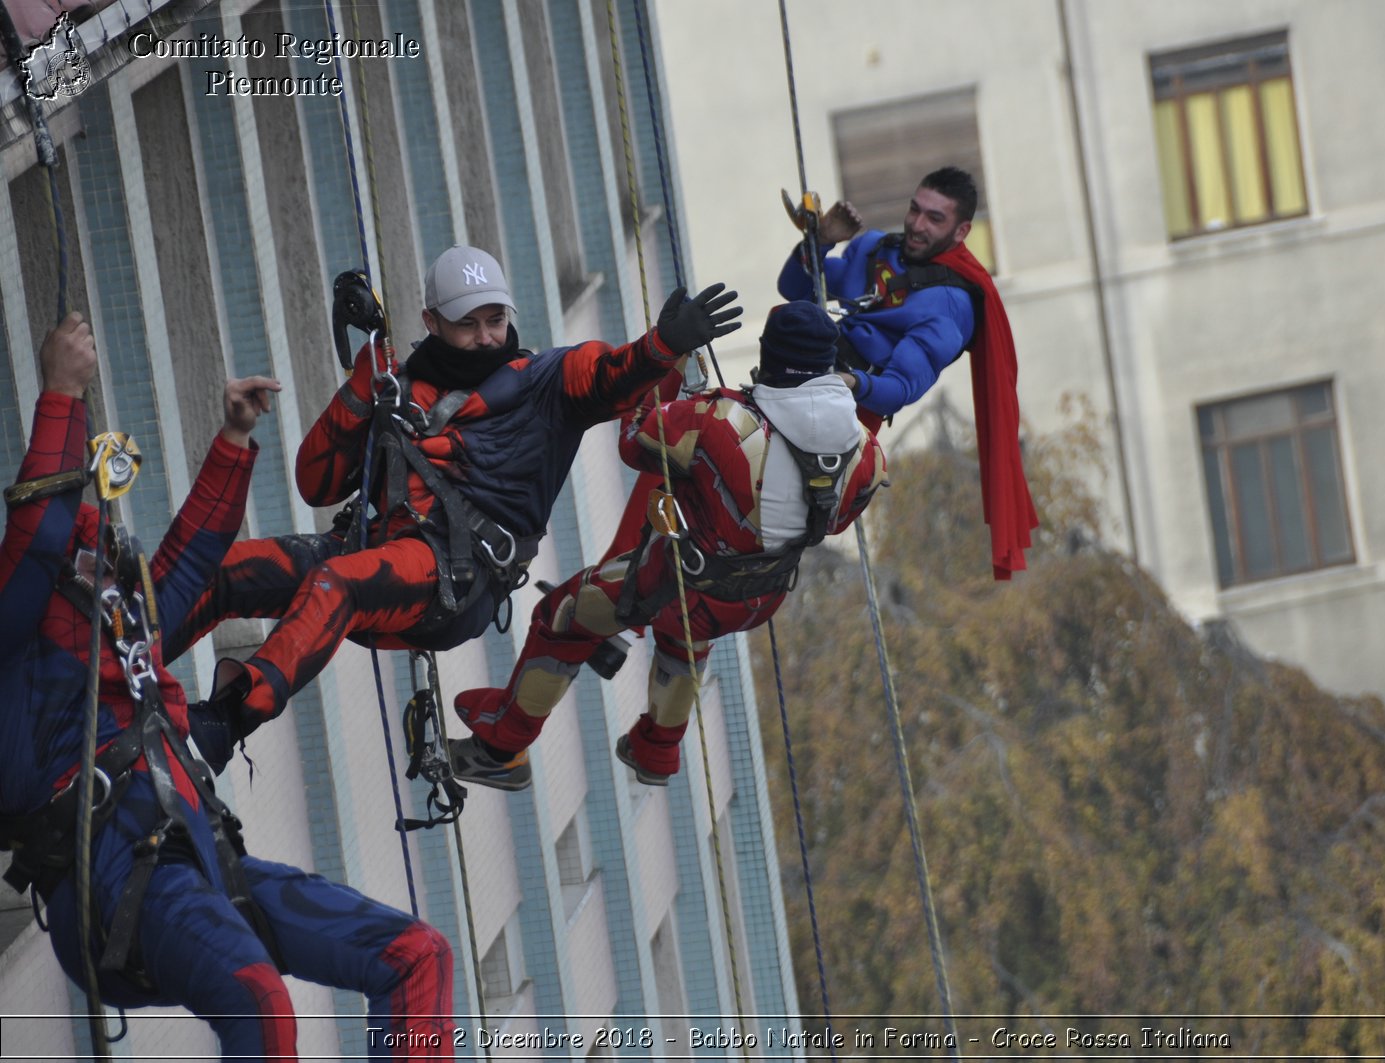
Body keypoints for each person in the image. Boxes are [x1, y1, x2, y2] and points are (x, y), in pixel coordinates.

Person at [0, 314, 454, 1058]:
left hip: (202, 862)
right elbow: (39, 537)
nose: (101, 545)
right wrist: (59, 392)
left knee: (416, 954)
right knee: (259, 1003)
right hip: (115, 885)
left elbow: (187, 565)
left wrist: (232, 440)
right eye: (84, 537)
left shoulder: (117, 620)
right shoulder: (16, 629)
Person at [166, 246, 741, 773]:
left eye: (495, 320)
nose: (487, 336)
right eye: (467, 324)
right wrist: (365, 381)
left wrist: (661, 347)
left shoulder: (547, 383)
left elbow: (610, 375)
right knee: (231, 573)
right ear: (431, 323)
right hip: (372, 555)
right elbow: (316, 483)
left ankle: (222, 722)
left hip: (456, 579)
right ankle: (136, 651)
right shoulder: (402, 385)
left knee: (335, 582)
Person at [445, 301, 887, 789]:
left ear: (769, 355)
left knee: (565, 616)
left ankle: (502, 745)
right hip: (761, 595)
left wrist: (668, 356)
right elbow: (836, 521)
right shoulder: (865, 450)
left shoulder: (718, 420)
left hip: (679, 580)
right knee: (687, 636)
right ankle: (656, 750)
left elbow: (634, 439)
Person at [777, 165, 1038, 580]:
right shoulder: (875, 248)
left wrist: (851, 382)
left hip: (843, 418)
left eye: (935, 219)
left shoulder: (950, 307)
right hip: (798, 375)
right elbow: (795, 288)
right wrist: (821, 241)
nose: (917, 225)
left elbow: (898, 389)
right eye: (915, 210)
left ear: (961, 230)